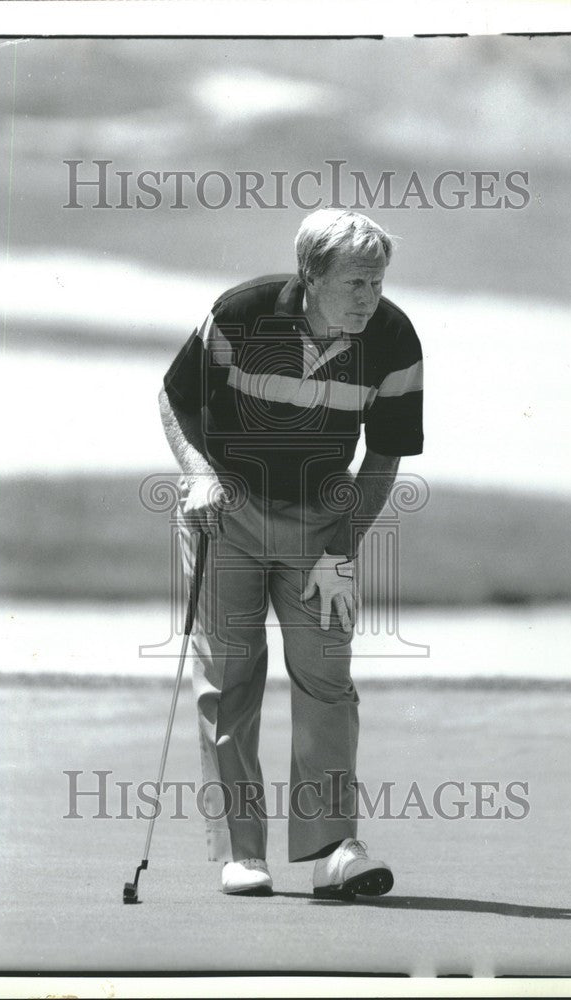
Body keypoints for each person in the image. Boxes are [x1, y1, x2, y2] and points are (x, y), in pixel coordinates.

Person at [159, 208, 423, 898]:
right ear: (311, 275)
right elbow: (175, 398)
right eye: (356, 282)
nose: (371, 296)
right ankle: (242, 853)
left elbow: (385, 454)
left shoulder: (393, 338)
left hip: (320, 526)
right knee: (231, 681)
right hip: (229, 514)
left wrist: (341, 549)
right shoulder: (243, 313)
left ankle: (333, 848)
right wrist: (200, 474)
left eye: (378, 280)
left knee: (326, 680)